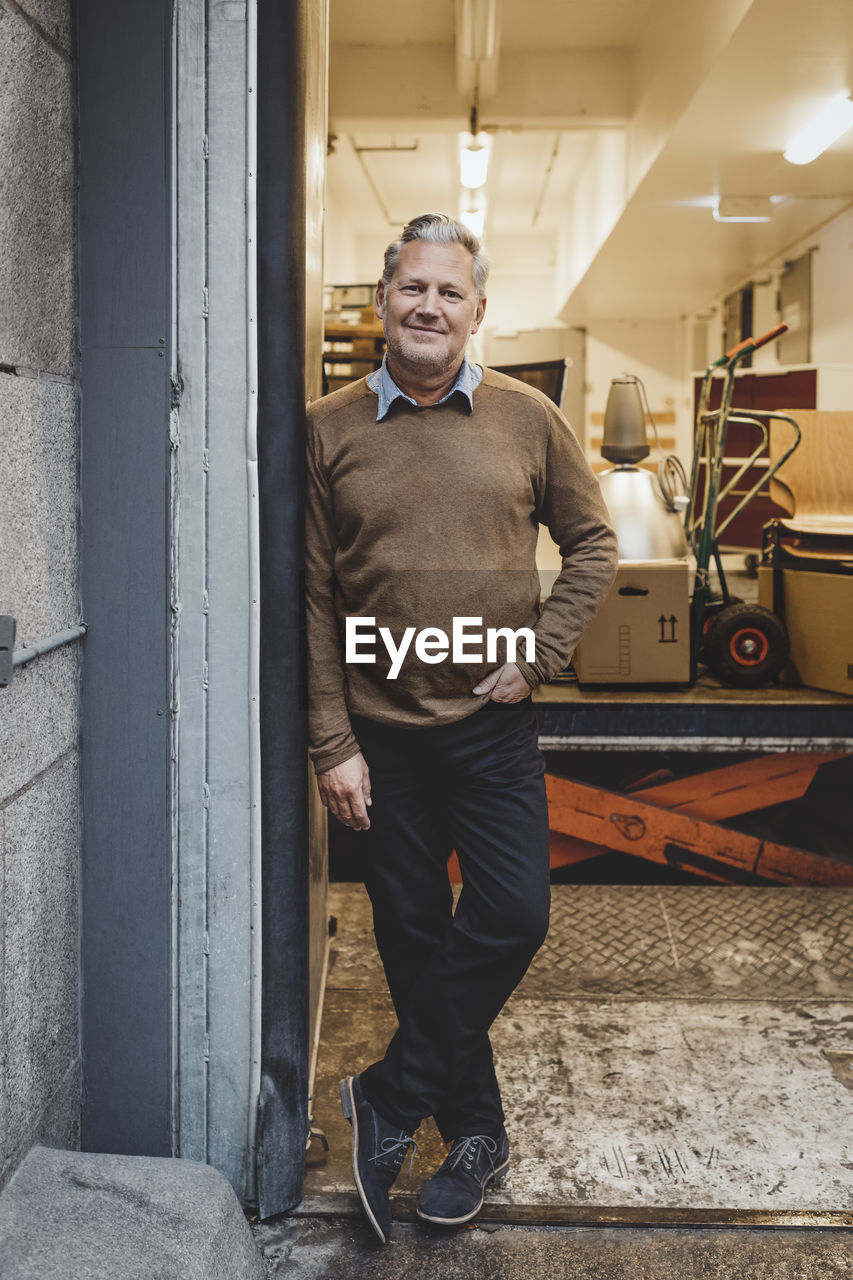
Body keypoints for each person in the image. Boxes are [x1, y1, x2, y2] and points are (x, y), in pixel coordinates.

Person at [306, 213, 618, 1243]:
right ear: (383, 298)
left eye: (450, 292)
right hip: (380, 736)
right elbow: (311, 595)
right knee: (413, 941)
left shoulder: (528, 419)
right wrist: (330, 740)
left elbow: (591, 545)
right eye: (411, 288)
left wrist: (539, 650)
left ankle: (388, 1096)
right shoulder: (328, 427)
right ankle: (475, 1134)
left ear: (478, 311)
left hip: (487, 728)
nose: (428, 306)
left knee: (512, 914)